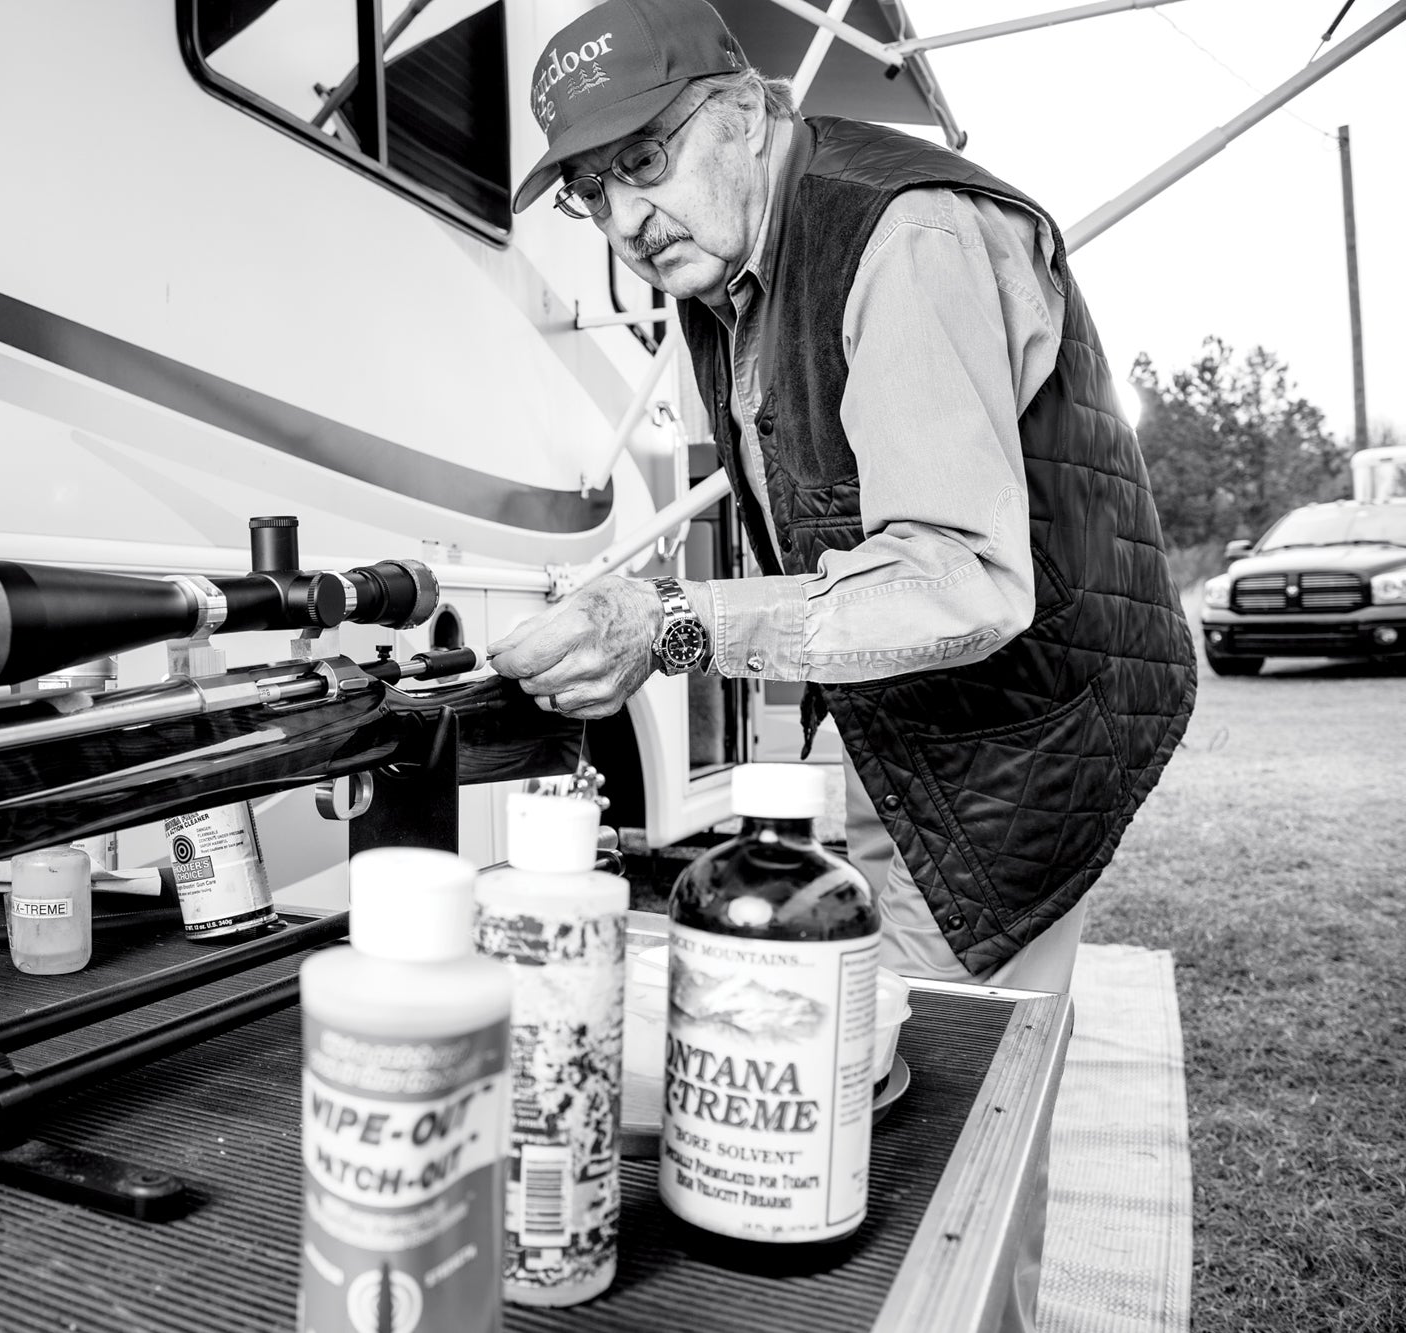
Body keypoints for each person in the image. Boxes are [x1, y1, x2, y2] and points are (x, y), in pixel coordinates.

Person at [490, 0, 1196, 998]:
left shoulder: (903, 235)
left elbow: (960, 578)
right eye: (586, 190)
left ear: (742, 109)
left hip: (1014, 734)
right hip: (912, 717)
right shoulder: (731, 260)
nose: (622, 224)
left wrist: (673, 623)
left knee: (933, 1073)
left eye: (643, 162)